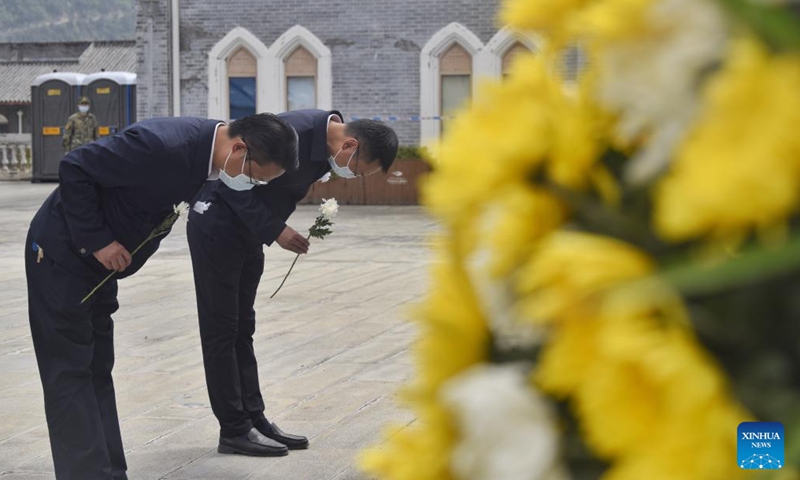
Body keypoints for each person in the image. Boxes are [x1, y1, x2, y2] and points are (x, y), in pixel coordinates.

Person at [25, 113, 298, 480]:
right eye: (253, 176)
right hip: (62, 252)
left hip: (100, 266)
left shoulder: (209, 158)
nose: (248, 184)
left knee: (95, 369)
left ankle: (106, 472)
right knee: (70, 372)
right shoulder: (162, 144)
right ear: (239, 148)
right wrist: (99, 241)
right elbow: (76, 166)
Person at [187, 109, 398, 456]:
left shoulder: (326, 150)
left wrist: (270, 230)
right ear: (349, 144)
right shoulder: (288, 133)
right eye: (358, 170)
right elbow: (230, 181)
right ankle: (234, 428)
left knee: (243, 329)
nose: (350, 176)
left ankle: (255, 419)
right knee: (221, 331)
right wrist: (277, 230)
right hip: (217, 230)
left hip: (249, 235)